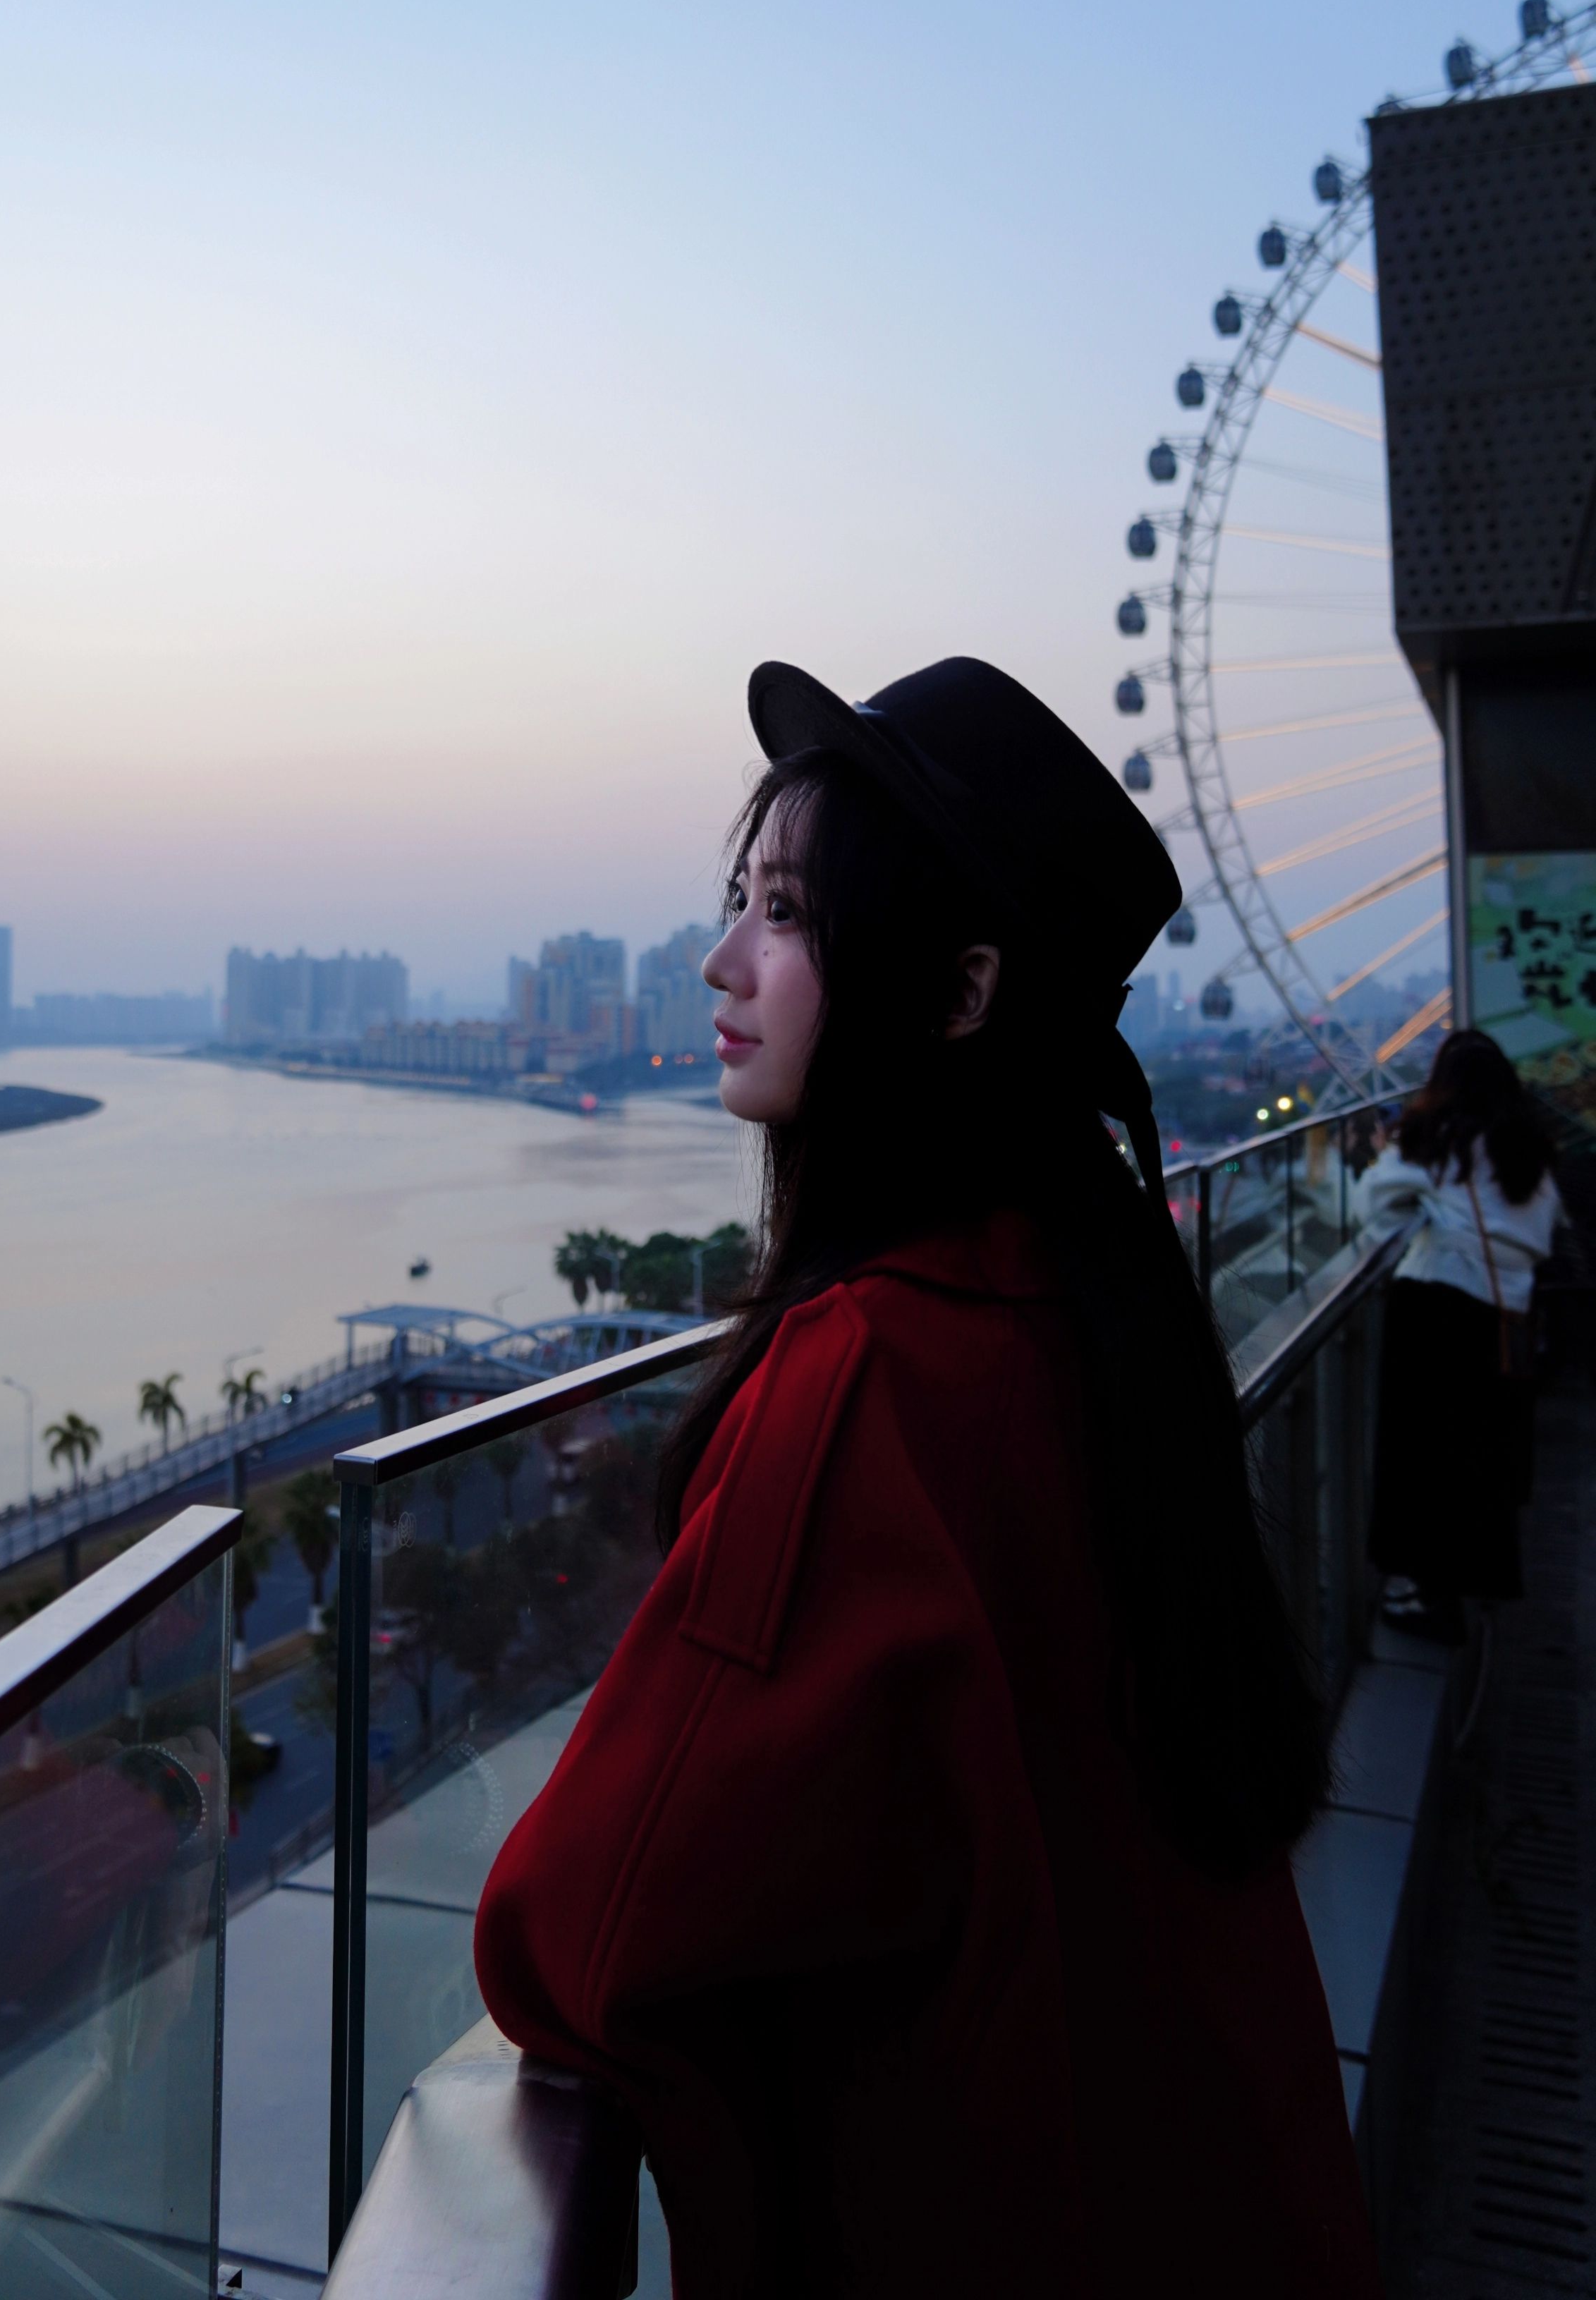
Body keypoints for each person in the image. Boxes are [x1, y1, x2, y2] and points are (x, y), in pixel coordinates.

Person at [473, 657, 1378, 2299]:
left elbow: (582, 1921)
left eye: (788, 914)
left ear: (961, 994)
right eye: (741, 901)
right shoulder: (1096, 1310)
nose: (721, 960)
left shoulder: (869, 1374)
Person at [1361, 1028, 1561, 1641]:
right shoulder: (1530, 1143)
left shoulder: (1436, 1136)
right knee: (1483, 1450)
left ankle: (1429, 1595)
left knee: (1424, 1458)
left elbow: (1374, 1209)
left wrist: (1386, 1155)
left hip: (1436, 1306)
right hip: (1508, 1310)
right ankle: (1480, 1580)